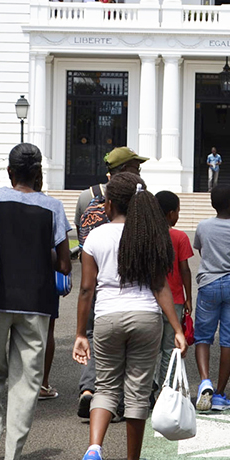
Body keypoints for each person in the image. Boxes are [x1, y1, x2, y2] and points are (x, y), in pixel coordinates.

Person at [0, 144, 71, 460]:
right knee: (26, 384)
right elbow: (64, 264)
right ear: (38, 172)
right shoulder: (53, 207)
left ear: (10, 173)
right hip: (37, 304)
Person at [72, 173, 186, 460]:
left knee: (105, 388)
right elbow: (160, 284)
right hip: (146, 318)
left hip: (107, 317)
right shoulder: (149, 235)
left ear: (109, 203)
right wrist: (176, 328)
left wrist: (81, 333)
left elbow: (85, 290)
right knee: (137, 391)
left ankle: (94, 451)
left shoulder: (95, 237)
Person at [73, 146, 148, 419]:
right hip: (123, 280)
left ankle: (88, 390)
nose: (139, 171)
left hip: (92, 276)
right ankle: (119, 399)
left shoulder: (87, 195)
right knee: (124, 343)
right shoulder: (137, 198)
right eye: (135, 167)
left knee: (93, 335)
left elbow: (81, 235)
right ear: (124, 171)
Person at [191, 183, 230, 412]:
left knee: (203, 336)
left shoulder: (203, 226)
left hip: (209, 283)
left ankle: (205, 380)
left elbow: (202, 251)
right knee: (228, 339)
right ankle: (221, 394)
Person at [152, 190, 192, 400]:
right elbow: (185, 269)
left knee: (150, 349)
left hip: (151, 300)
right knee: (170, 348)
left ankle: (148, 387)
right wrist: (189, 298)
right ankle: (165, 390)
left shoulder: (148, 235)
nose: (178, 215)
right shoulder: (180, 237)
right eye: (177, 211)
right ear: (169, 214)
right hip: (175, 299)